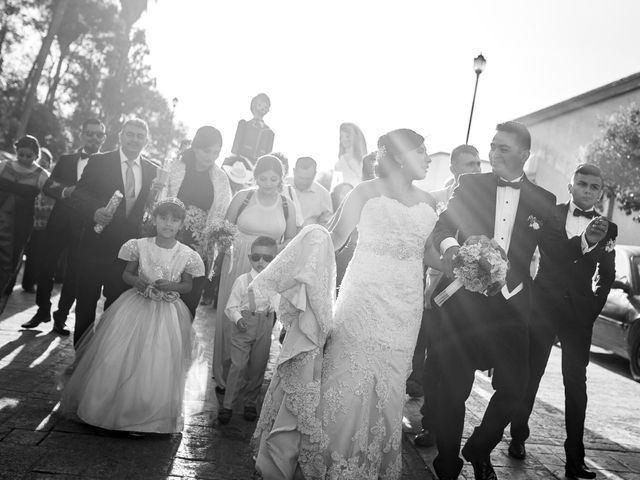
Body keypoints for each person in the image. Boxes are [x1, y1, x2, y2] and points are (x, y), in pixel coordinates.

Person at [253, 128, 441, 479]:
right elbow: (335, 238)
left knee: (391, 383)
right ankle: (328, 460)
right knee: (348, 376)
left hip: (406, 305)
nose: (429, 159)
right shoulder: (364, 192)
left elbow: (428, 252)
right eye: (422, 153)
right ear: (400, 156)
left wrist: (467, 266)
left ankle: (370, 464)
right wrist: (306, 252)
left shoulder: (430, 202)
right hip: (364, 298)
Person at [431, 122, 610, 480]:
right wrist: (455, 252)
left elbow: (557, 251)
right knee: (452, 391)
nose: (494, 154)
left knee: (515, 387)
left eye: (503, 149)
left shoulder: (542, 200)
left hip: (511, 307)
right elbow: (442, 229)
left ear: (524, 156)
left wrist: (586, 242)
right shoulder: (470, 185)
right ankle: (447, 464)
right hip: (462, 303)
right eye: (493, 147)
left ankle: (479, 448)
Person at [60, 198, 205, 434]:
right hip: (135, 305)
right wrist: (136, 281)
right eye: (163, 218)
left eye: (174, 220)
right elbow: (126, 274)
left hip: (166, 312)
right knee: (117, 353)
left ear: (181, 224)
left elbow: (188, 285)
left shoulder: (187, 254)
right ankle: (106, 408)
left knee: (157, 356)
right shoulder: (138, 245)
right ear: (154, 219)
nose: (168, 223)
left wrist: (171, 285)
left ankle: (146, 416)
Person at [509, 164, 616, 479]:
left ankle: (575, 458)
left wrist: (593, 307)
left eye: (594, 187)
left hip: (578, 315)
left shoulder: (609, 227)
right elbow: (553, 254)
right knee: (533, 373)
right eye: (581, 183)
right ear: (570, 186)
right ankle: (518, 434)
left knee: (576, 385)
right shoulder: (549, 213)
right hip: (542, 306)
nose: (587, 190)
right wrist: (584, 239)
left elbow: (607, 274)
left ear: (599, 192)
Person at [413, 144, 482, 446]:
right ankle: (430, 422)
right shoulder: (439, 200)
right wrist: (429, 288)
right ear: (453, 168)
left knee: (461, 361)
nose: (476, 169)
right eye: (468, 163)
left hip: (475, 295)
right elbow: (431, 242)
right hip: (440, 287)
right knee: (436, 358)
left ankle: (449, 421)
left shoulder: (488, 200)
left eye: (478, 163)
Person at [69, 117, 158, 346]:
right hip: (93, 246)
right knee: (86, 303)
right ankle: (81, 354)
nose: (134, 139)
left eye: (139, 136)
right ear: (120, 136)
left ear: (146, 140)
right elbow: (79, 195)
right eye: (130, 134)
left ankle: (103, 356)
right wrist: (94, 211)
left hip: (126, 253)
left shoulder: (153, 172)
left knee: (116, 306)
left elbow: (151, 208)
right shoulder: (99, 162)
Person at [213, 154, 297, 394]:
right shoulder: (243, 197)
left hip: (268, 267)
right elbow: (224, 228)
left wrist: (275, 258)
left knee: (260, 319)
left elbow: (290, 239)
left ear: (281, 178)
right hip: (238, 261)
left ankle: (250, 378)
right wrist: (226, 248)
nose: (268, 184)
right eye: (263, 178)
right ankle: (225, 374)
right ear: (255, 177)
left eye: (273, 179)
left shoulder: (286, 204)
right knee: (233, 314)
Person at [22, 118, 106, 334]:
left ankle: (61, 317)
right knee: (45, 267)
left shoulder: (108, 166)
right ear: (82, 135)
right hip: (58, 223)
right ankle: (42, 311)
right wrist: (65, 191)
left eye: (98, 134)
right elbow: (49, 187)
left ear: (104, 138)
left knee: (74, 275)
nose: (93, 137)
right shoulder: (66, 159)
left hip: (84, 227)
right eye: (89, 133)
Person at [162, 125, 231, 314]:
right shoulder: (174, 168)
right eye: (207, 150)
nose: (211, 157)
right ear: (195, 146)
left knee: (188, 302)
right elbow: (160, 200)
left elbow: (223, 213)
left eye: (216, 152)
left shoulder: (220, 178)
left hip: (200, 247)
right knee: (164, 295)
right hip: (170, 239)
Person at [218, 235, 279, 425]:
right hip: (244, 325)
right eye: (257, 257)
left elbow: (279, 305)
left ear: (275, 259)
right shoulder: (242, 281)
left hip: (265, 325)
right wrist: (238, 320)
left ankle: (250, 403)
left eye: (267, 258)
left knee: (258, 366)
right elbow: (231, 307)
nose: (261, 262)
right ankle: (228, 404)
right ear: (249, 257)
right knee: (238, 365)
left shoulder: (276, 283)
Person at [0, 135, 49, 304]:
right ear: (16, 151)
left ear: (37, 155)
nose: (24, 159)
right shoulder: (3, 166)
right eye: (21, 154)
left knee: (10, 260)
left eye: (29, 156)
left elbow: (52, 197)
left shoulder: (42, 175)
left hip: (21, 226)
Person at [231, 93, 274, 164]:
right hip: (241, 163)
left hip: (258, 165)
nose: (263, 108)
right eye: (260, 105)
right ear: (253, 105)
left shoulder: (269, 132)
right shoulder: (243, 124)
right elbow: (235, 150)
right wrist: (232, 161)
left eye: (266, 106)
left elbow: (268, 156)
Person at [291, 156, 333, 227]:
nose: (304, 182)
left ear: (315, 175)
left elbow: (327, 222)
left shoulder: (323, 194)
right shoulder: (282, 186)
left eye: (308, 179)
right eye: (300, 178)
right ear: (294, 172)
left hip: (309, 234)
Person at [333, 122, 367, 187]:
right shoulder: (339, 165)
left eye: (347, 136)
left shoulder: (367, 161)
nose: (344, 139)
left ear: (356, 138)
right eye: (341, 137)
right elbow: (336, 188)